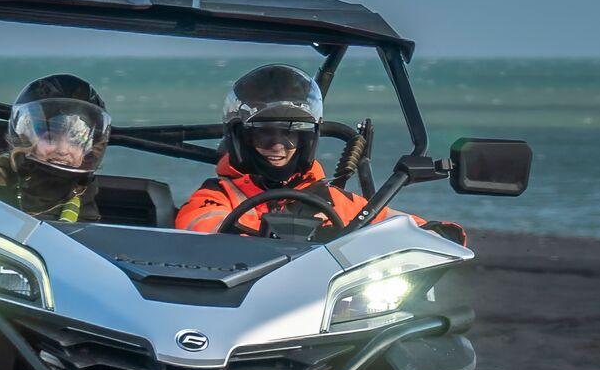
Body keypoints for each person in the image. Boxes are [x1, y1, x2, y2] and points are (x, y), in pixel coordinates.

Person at [175, 64, 462, 241]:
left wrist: (436, 233)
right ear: (241, 140)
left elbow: (390, 221)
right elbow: (199, 225)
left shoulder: (334, 200)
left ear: (306, 141)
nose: (277, 145)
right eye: (264, 134)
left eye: (290, 135)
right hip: (240, 303)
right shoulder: (216, 195)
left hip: (323, 313)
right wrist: (297, 233)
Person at [0, 73, 110, 225]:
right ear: (25, 138)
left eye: (76, 140)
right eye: (50, 137)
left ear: (89, 148)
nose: (63, 149)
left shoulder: (84, 200)